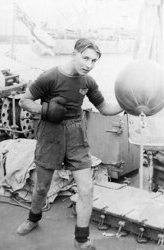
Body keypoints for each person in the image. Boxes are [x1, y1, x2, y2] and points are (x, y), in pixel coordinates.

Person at [17, 38, 123, 250]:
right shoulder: (49, 77)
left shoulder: (88, 82)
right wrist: (44, 110)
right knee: (42, 187)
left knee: (87, 188)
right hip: (50, 134)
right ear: (74, 53)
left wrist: (129, 103)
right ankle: (33, 218)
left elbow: (104, 108)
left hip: (76, 134)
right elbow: (24, 101)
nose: (89, 65)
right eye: (85, 58)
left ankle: (81, 239)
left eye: (94, 61)